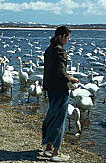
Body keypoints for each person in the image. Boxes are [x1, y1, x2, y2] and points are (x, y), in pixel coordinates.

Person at [41, 26, 79, 162]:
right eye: (67, 38)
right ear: (62, 36)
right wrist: (71, 79)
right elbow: (61, 72)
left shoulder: (49, 49)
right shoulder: (60, 51)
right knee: (60, 120)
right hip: (60, 89)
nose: (68, 41)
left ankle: (48, 148)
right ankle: (56, 153)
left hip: (50, 88)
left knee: (52, 116)